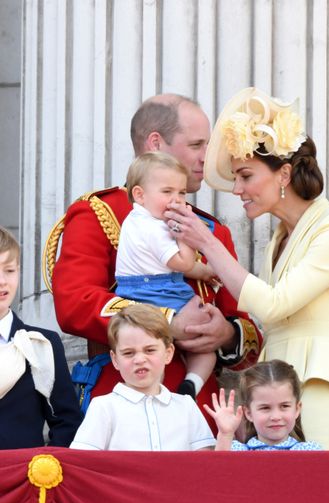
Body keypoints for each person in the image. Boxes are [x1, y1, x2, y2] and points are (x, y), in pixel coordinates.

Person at [165, 87, 329, 450]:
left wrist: (206, 243)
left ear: (284, 174)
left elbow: (274, 304)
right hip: (268, 393)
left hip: (319, 391)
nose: (237, 189)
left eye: (245, 175)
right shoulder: (277, 239)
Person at [50, 94, 263, 429]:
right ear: (155, 143)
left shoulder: (212, 230)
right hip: (124, 407)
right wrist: (165, 321)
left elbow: (248, 333)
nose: (207, 157)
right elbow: (75, 304)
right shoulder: (99, 213)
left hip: (201, 413)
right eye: (196, 144)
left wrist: (226, 334)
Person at [116, 151, 218, 399]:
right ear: (140, 194)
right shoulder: (155, 228)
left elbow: (169, 264)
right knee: (205, 344)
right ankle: (190, 386)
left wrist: (204, 272)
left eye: (182, 193)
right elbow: (182, 262)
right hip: (156, 292)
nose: (177, 201)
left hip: (141, 289)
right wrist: (187, 236)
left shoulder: (137, 219)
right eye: (167, 192)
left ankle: (174, 389)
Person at [70, 304, 216, 450]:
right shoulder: (103, 407)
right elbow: (83, 462)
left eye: (149, 350)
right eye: (128, 353)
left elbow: (204, 462)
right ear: (115, 360)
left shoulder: (186, 406)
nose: (139, 360)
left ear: (168, 353)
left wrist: (226, 433)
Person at [0, 226, 82, 449]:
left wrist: (45, 466)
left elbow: (67, 421)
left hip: (24, 478)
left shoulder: (42, 343)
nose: (2, 281)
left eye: (9, 270)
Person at [205, 360, 322, 451]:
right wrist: (225, 434)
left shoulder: (310, 451)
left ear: (297, 409)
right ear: (249, 413)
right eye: (265, 408)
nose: (275, 416)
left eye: (284, 406)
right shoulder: (237, 451)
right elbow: (219, 472)